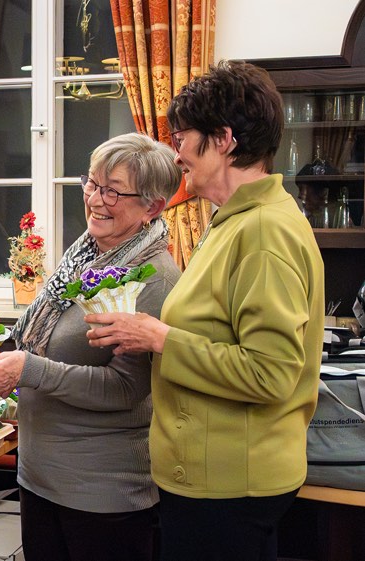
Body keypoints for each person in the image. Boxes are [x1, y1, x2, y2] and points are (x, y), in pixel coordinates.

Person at [85, 61, 325, 561]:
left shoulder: (263, 232)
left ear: (223, 140)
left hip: (230, 489)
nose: (177, 154)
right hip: (215, 483)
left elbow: (271, 373)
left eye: (182, 138)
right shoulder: (234, 222)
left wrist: (159, 338)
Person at [0, 132, 182, 561]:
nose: (96, 199)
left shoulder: (153, 277)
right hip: (41, 477)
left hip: (101, 493)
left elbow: (124, 390)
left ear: (152, 206)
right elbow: (44, 341)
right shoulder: (84, 257)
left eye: (113, 191)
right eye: (93, 183)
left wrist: (28, 370)